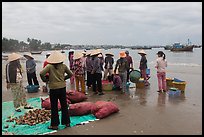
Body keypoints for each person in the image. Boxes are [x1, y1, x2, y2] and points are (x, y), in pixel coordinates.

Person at [40, 51, 73, 130]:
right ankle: (67, 123)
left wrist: (45, 80)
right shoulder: (64, 66)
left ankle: (54, 125)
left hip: (53, 89)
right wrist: (63, 78)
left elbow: (41, 73)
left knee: (54, 107)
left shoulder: (49, 66)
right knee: (64, 105)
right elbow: (71, 74)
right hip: (62, 88)